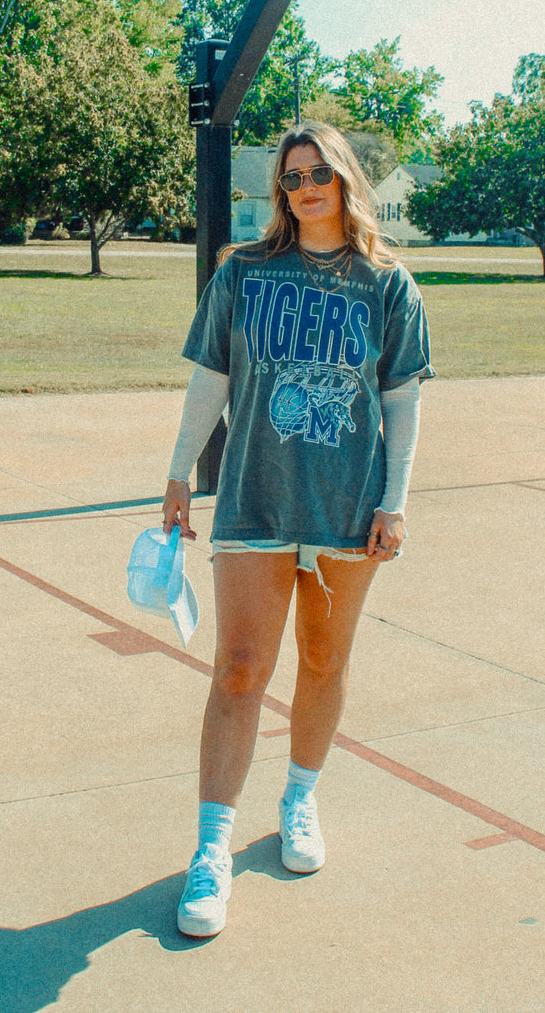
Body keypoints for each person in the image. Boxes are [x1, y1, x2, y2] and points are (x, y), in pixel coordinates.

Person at [162, 121, 432, 937]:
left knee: (324, 658)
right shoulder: (243, 272)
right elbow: (211, 380)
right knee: (240, 668)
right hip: (255, 499)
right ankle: (211, 848)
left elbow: (402, 403)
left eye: (318, 173)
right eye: (290, 178)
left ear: (345, 178)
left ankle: (301, 800)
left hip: (349, 506)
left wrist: (396, 502)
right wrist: (179, 475)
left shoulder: (388, 284)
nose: (305, 187)